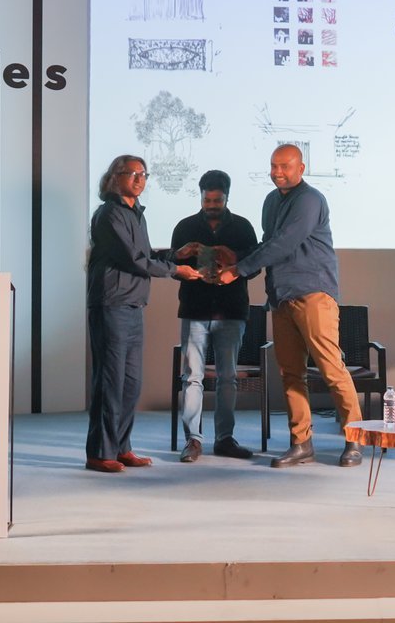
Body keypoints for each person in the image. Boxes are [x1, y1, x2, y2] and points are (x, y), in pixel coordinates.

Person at [218, 144, 363, 468]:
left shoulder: (310, 199)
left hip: (313, 294)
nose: (277, 172)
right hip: (281, 296)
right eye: (273, 166)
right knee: (290, 373)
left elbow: (285, 243)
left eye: (284, 166)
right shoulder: (271, 201)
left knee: (331, 369)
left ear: (301, 168)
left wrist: (238, 270)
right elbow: (269, 243)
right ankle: (301, 443)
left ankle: (354, 439)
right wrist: (237, 260)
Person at [85, 154, 201, 473]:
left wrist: (176, 254)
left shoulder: (137, 213)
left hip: (134, 304)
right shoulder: (109, 214)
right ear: (115, 177)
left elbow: (145, 254)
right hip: (111, 304)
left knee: (130, 383)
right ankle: (100, 453)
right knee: (111, 381)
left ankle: (121, 448)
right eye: (132, 173)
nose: (139, 179)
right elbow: (133, 260)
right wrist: (176, 270)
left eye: (143, 174)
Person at [170, 170, 258, 463]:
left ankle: (224, 439)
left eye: (216, 200)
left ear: (227, 197)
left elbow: (256, 266)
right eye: (206, 200)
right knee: (192, 377)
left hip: (231, 311)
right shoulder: (185, 226)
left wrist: (235, 259)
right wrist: (181, 257)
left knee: (227, 378)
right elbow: (172, 266)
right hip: (194, 310)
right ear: (200, 196)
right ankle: (193, 440)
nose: (211, 205)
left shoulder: (243, 227)